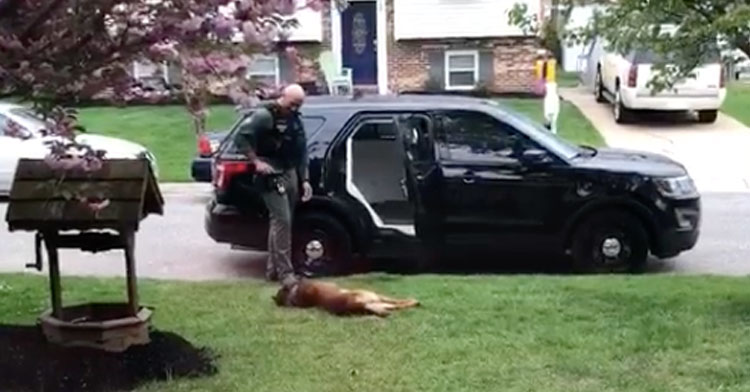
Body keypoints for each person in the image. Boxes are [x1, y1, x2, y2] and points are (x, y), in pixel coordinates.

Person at [234, 84, 313, 286]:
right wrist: (256, 162)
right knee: (282, 221)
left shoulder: (295, 119)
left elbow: (302, 151)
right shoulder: (264, 116)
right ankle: (286, 273)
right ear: (283, 97)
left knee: (281, 223)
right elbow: (241, 138)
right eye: (293, 103)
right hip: (271, 175)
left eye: (299, 105)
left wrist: (304, 179)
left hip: (290, 172)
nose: (295, 108)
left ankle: (273, 269)